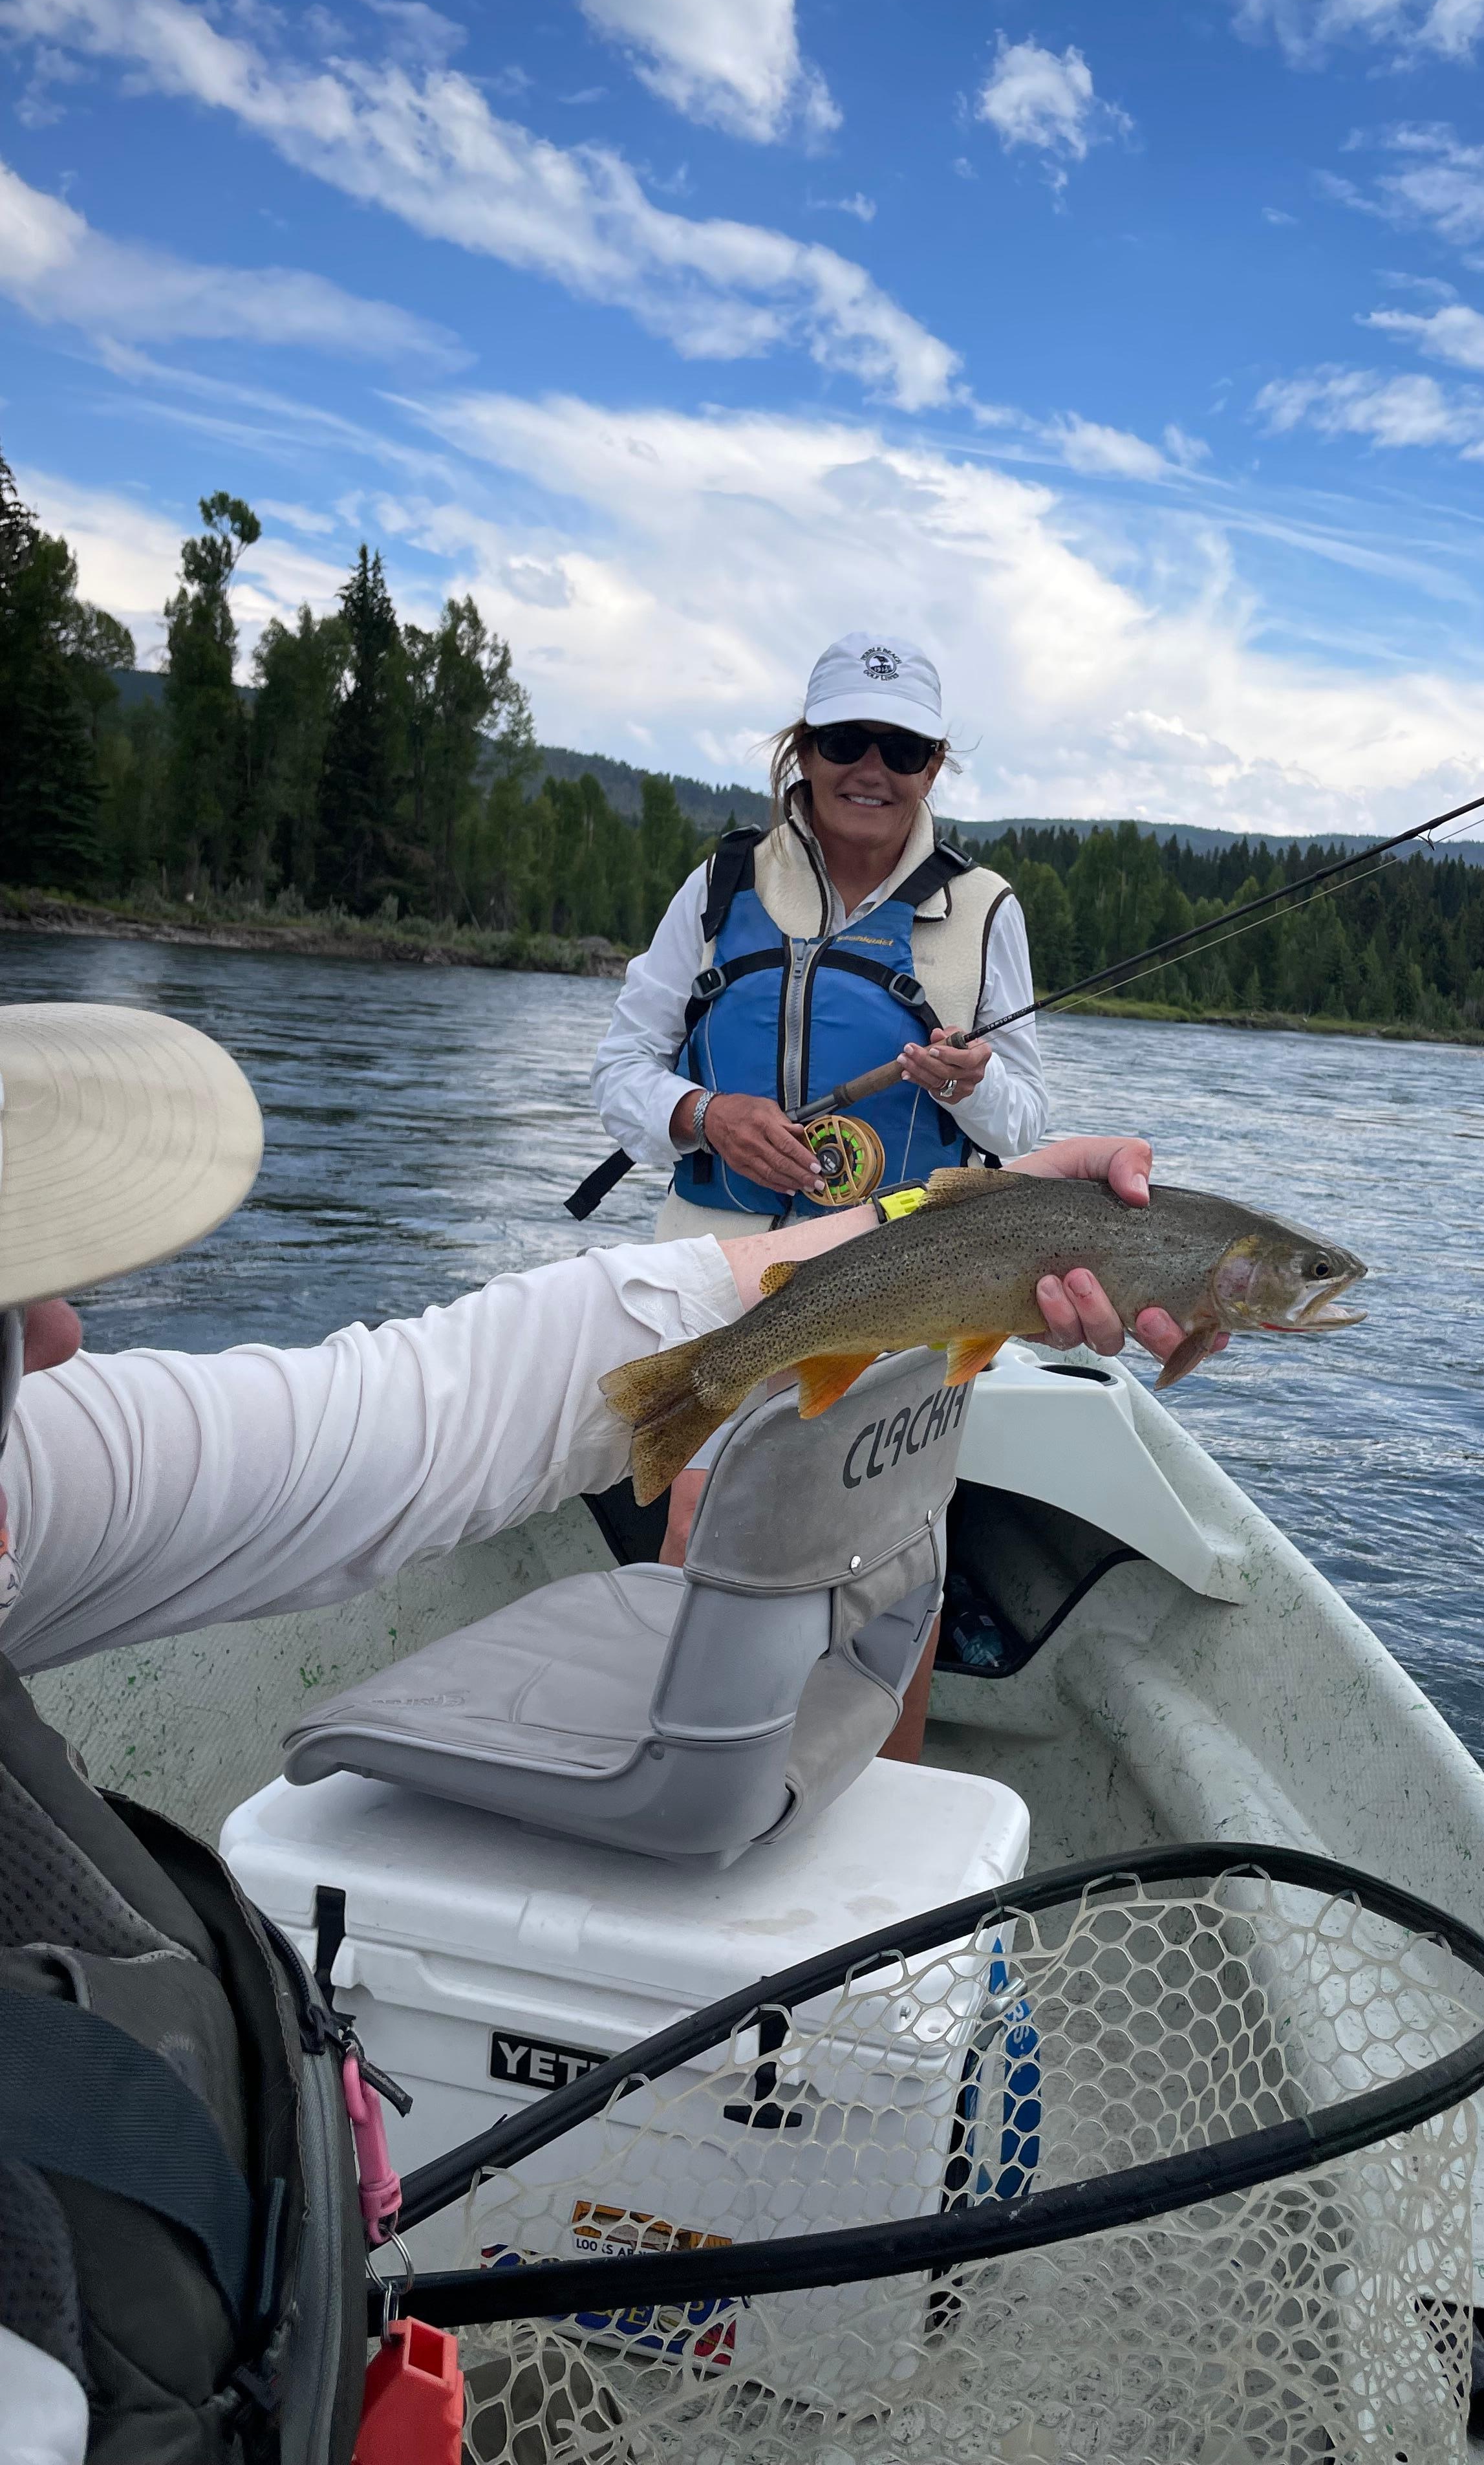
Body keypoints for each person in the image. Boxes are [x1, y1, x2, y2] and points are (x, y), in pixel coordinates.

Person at [0, 999, 1220, 2462]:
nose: (64, 1337)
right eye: (4, 1301)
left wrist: (968, 1226)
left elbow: (433, 1409)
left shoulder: (34, 1482)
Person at [590, 631, 1048, 1239]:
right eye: (844, 741)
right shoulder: (719, 885)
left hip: (903, 1279)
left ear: (932, 768)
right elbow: (621, 1068)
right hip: (705, 1269)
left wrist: (972, 1087)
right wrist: (707, 1115)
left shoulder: (985, 907)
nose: (871, 770)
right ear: (805, 751)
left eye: (902, 750)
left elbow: (1022, 1125)